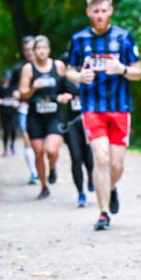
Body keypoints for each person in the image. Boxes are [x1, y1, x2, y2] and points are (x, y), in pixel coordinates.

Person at [65, 0, 141, 230]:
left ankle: (109, 188)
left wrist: (121, 68)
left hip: (119, 106)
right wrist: (79, 76)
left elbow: (138, 73)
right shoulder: (79, 39)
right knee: (101, 157)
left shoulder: (123, 37)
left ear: (110, 11)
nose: (100, 15)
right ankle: (103, 212)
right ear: (89, 12)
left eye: (103, 10)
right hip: (92, 106)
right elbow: (68, 70)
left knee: (116, 165)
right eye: (95, 11)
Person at [17, 35, 66, 199]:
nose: (41, 51)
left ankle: (52, 167)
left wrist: (65, 96)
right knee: (38, 153)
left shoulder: (58, 66)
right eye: (38, 48)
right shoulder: (28, 69)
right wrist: (33, 88)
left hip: (54, 115)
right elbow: (22, 94)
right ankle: (44, 186)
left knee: (51, 150)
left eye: (44, 48)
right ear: (34, 51)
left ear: (49, 49)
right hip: (35, 117)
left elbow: (67, 86)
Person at [57, 73, 95, 208]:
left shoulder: (93, 73)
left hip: (90, 121)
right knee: (76, 158)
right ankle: (81, 193)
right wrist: (60, 98)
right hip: (72, 123)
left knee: (90, 160)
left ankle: (91, 177)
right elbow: (53, 96)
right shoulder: (65, 80)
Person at [9, 37, 39, 184]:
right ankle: (34, 172)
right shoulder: (18, 69)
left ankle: (46, 169)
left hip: (44, 110)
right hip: (25, 109)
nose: (29, 53)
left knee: (42, 144)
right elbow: (13, 88)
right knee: (28, 141)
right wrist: (15, 95)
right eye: (26, 50)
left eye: (31, 49)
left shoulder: (46, 66)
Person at [0, 71, 19, 157]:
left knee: (13, 129)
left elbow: (19, 97)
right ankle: (5, 148)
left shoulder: (14, 88)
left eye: (8, 78)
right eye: (6, 78)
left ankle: (12, 144)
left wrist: (17, 101)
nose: (7, 80)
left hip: (13, 112)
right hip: (3, 112)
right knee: (5, 130)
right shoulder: (0, 88)